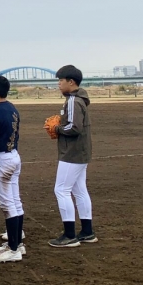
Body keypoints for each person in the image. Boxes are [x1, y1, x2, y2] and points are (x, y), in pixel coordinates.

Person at [48, 65, 96, 247]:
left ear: (71, 82)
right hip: (81, 152)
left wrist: (57, 128)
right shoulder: (79, 99)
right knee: (79, 190)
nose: (59, 84)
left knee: (61, 190)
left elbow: (74, 127)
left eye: (61, 80)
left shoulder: (73, 101)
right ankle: (87, 232)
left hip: (72, 153)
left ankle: (69, 235)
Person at [0, 75, 25, 263]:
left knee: (7, 203)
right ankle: (17, 243)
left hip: (2, 158)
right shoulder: (12, 108)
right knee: (15, 200)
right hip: (13, 156)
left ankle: (14, 248)